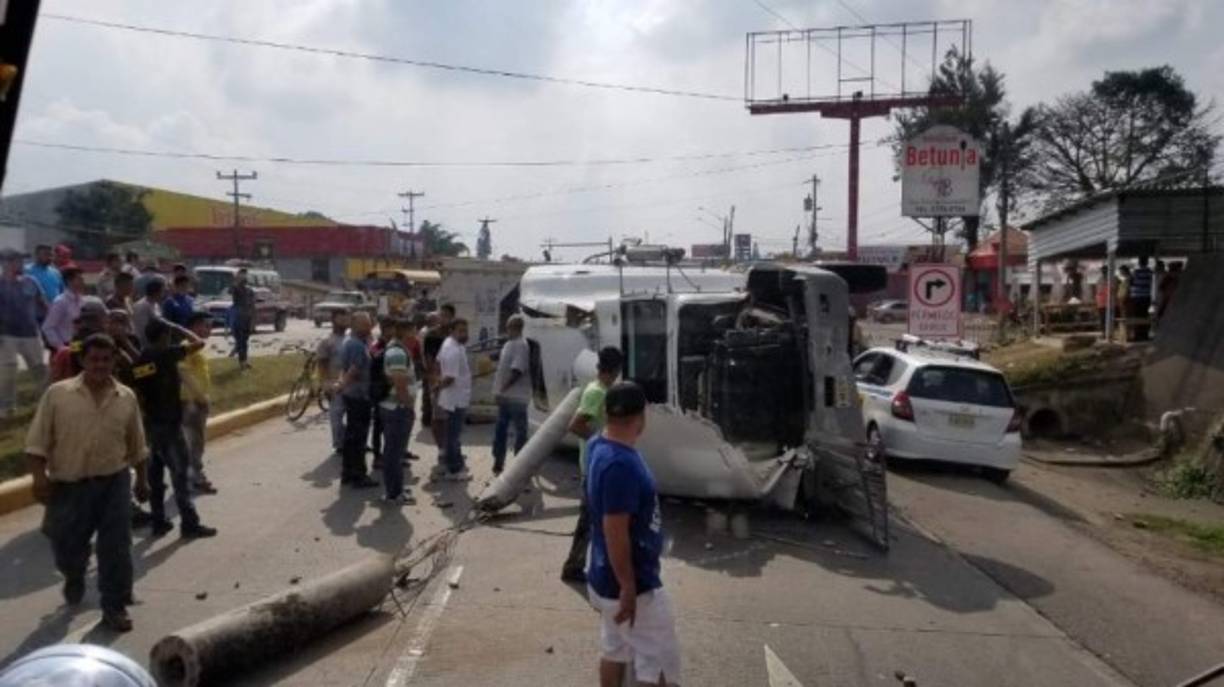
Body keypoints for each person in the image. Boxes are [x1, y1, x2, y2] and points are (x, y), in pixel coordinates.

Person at [25, 333, 150, 632]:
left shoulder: (126, 397)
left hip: (114, 483)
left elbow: (137, 446)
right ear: (82, 360)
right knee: (66, 547)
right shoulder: (58, 394)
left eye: (106, 359)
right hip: (69, 486)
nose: (100, 365)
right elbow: (36, 443)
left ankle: (114, 607)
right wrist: (39, 479)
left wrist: (142, 481)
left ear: (114, 362)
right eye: (94, 359)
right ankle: (74, 574)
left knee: (117, 547)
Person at [586, 381, 680, 687]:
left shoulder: (598, 446)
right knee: (658, 662)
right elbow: (614, 530)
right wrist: (628, 585)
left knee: (616, 650)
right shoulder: (620, 465)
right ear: (642, 416)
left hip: (606, 576)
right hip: (633, 586)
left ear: (606, 413)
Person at [132, 319, 216, 539]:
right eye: (169, 334)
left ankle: (159, 522)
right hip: (169, 425)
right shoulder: (167, 353)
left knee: (155, 478)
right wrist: (178, 327)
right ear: (164, 336)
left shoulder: (141, 359)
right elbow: (199, 342)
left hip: (150, 426)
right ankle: (189, 524)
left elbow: (139, 393)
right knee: (180, 476)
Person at [562, 346, 623, 583]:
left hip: (599, 464)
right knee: (589, 520)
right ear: (616, 369)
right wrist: (603, 442)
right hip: (594, 467)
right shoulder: (597, 392)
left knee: (597, 520)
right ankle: (573, 566)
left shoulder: (600, 389)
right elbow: (576, 425)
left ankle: (585, 565)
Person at [0, 249, 48, 416]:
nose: (21, 264)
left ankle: (48, 403)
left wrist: (47, 325)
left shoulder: (30, 281)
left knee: (39, 369)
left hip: (30, 332)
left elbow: (42, 303)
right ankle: (7, 408)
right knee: (8, 371)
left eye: (21, 260)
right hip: (6, 334)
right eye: (17, 261)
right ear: (5, 263)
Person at [336, 312, 379, 488]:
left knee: (351, 436)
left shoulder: (354, 342)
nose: (369, 328)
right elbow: (353, 370)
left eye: (369, 324)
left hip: (353, 394)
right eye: (365, 325)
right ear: (354, 325)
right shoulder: (356, 345)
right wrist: (341, 385)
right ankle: (358, 475)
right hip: (358, 396)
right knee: (359, 438)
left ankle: (348, 472)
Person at [379, 317, 417, 505]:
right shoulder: (397, 353)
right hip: (397, 408)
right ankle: (394, 494)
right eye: (413, 332)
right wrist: (408, 404)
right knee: (394, 453)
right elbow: (399, 382)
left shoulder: (397, 349)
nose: (416, 336)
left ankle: (396, 488)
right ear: (405, 331)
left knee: (394, 452)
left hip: (394, 407)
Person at [433, 317, 472, 482]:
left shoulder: (450, 343)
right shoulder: (454, 350)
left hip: (454, 397)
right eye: (461, 331)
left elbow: (437, 362)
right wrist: (436, 387)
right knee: (453, 436)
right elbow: (449, 377)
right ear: (452, 331)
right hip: (456, 399)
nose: (465, 334)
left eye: (465, 330)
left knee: (451, 434)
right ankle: (454, 470)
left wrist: (436, 382)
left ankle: (450, 465)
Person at [181, 311, 216, 495]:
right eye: (204, 325)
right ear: (194, 327)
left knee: (195, 441)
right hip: (191, 403)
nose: (208, 328)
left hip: (195, 401)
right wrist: (200, 398)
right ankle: (196, 478)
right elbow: (183, 373)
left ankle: (193, 476)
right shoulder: (188, 347)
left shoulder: (195, 347)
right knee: (196, 442)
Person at [491, 314, 531, 475]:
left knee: (520, 432)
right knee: (500, 431)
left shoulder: (521, 345)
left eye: (508, 327)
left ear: (515, 327)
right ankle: (498, 462)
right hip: (506, 398)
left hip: (516, 398)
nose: (506, 330)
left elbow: (517, 371)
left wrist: (502, 390)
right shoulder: (509, 344)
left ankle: (518, 466)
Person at [48, 297, 108, 384]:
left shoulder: (113, 339)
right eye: (86, 319)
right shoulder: (77, 340)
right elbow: (74, 361)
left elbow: (134, 368)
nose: (88, 325)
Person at [317, 310, 351, 455]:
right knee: (336, 417)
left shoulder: (351, 339)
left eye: (346, 318)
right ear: (333, 320)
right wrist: (325, 384)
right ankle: (339, 444)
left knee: (355, 417)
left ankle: (352, 441)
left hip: (352, 383)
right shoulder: (327, 341)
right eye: (340, 318)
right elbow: (322, 364)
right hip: (334, 384)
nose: (344, 321)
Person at [368, 316, 395, 468]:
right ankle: (378, 456)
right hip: (379, 390)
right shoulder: (377, 346)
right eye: (390, 329)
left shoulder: (394, 345)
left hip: (391, 389)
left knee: (392, 425)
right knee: (379, 425)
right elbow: (375, 359)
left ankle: (392, 453)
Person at [41, 267, 86, 350]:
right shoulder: (61, 302)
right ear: (69, 281)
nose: (83, 282)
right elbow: (47, 327)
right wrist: (61, 347)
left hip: (77, 344)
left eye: (82, 279)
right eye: (79, 279)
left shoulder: (82, 301)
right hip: (64, 345)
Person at [230, 268, 256, 370]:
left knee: (245, 340)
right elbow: (231, 290)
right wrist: (237, 280)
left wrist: (253, 319)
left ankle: (244, 360)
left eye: (245, 274)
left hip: (247, 318)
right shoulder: (236, 289)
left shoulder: (250, 291)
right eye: (242, 274)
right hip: (238, 318)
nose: (244, 277)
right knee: (241, 340)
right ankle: (242, 362)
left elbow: (253, 305)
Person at [131, 277, 166, 349]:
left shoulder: (155, 304)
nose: (164, 294)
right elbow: (141, 329)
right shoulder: (142, 306)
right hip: (145, 346)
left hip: (156, 344)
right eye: (162, 291)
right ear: (156, 293)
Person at [1129, 256, 1154, 341]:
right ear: (1147, 262)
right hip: (1146, 296)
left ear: (1139, 263)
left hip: (1137, 297)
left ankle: (1137, 335)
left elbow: (1131, 283)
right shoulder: (1150, 272)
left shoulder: (1136, 272)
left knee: (1137, 315)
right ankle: (1145, 335)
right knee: (1145, 315)